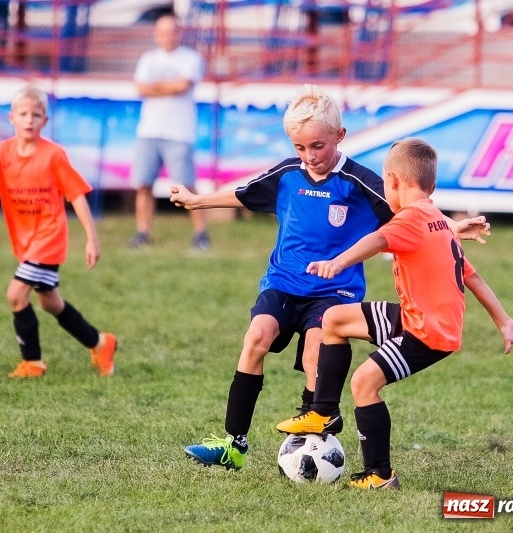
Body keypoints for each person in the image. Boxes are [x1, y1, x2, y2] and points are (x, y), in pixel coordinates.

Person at [170, 85, 490, 470]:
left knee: (315, 352)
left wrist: (453, 228)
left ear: (339, 136)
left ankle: (313, 436)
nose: (309, 157)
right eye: (300, 148)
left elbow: (415, 216)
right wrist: (196, 200)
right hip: (283, 282)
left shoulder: (362, 182)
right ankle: (232, 444)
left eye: (317, 147)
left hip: (334, 291)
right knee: (256, 337)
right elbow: (244, 194)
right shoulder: (288, 174)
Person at [275, 138, 513, 489]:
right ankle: (323, 412)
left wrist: (337, 262)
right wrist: (504, 321)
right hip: (418, 316)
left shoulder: (411, 219)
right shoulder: (437, 219)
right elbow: (470, 275)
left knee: (364, 383)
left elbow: (379, 241)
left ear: (393, 181)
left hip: (427, 333)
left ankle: (380, 475)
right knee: (334, 320)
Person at [0, 86, 117, 378]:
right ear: (11, 118)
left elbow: (77, 196)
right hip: (25, 242)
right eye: (23, 114)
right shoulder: (1, 152)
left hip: (49, 238)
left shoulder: (54, 155)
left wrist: (92, 238)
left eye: (36, 115)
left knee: (16, 294)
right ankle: (101, 343)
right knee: (50, 303)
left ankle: (33, 363)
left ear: (45, 121)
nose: (29, 120)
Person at [128, 13, 210, 250]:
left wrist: (156, 87)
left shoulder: (191, 58)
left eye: (171, 31)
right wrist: (170, 87)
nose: (167, 37)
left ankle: (201, 234)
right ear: (156, 34)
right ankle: (142, 232)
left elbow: (182, 86)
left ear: (179, 33)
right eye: (163, 32)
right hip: (149, 130)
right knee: (143, 184)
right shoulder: (148, 58)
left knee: (186, 185)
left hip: (178, 132)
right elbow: (144, 87)